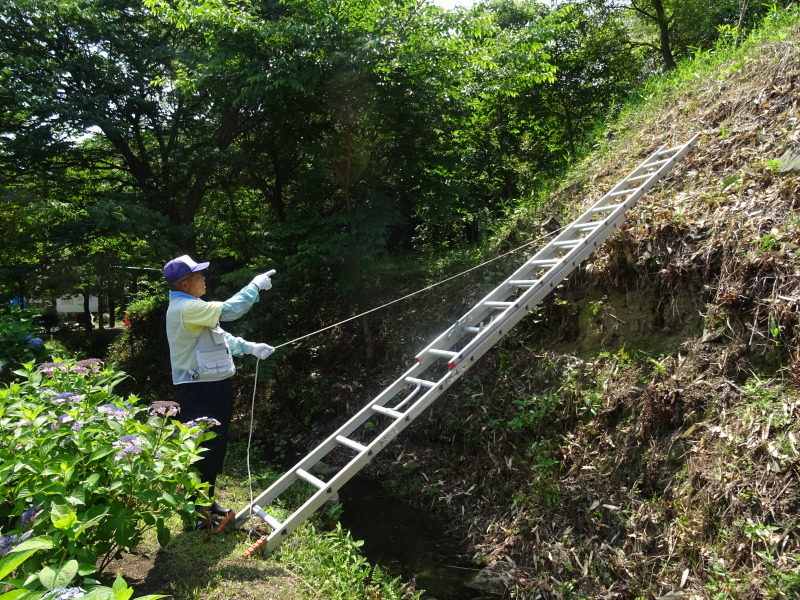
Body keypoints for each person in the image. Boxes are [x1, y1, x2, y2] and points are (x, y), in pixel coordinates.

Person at [163, 254, 276, 527]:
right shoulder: (186, 308)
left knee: (213, 446)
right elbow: (230, 310)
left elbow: (220, 337)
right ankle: (197, 514)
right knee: (205, 448)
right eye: (199, 276)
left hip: (210, 384)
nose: (204, 279)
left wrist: (249, 347)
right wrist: (255, 286)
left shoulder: (193, 306)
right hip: (200, 387)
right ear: (186, 283)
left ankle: (205, 503)